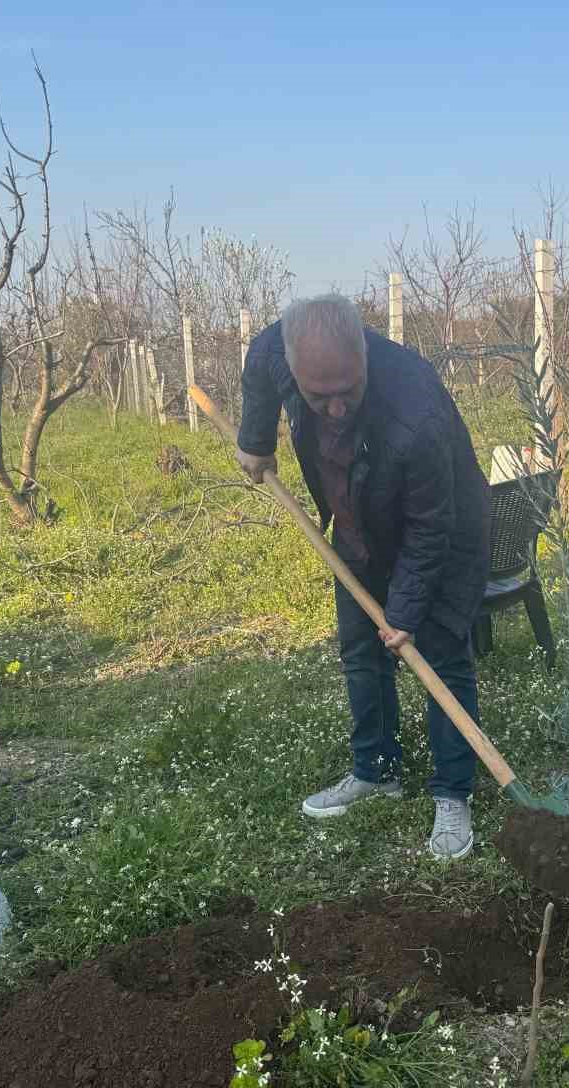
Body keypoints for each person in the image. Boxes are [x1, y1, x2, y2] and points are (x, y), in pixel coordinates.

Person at [235, 295, 490, 859]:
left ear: (365, 358)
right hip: (357, 523)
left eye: (347, 391)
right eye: (316, 395)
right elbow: (258, 359)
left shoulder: (414, 410)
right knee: (360, 652)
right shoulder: (278, 350)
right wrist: (256, 440)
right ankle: (376, 772)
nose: (334, 409)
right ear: (296, 367)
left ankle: (452, 794)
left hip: (440, 530)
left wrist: (403, 615)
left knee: (441, 656)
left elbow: (431, 528)